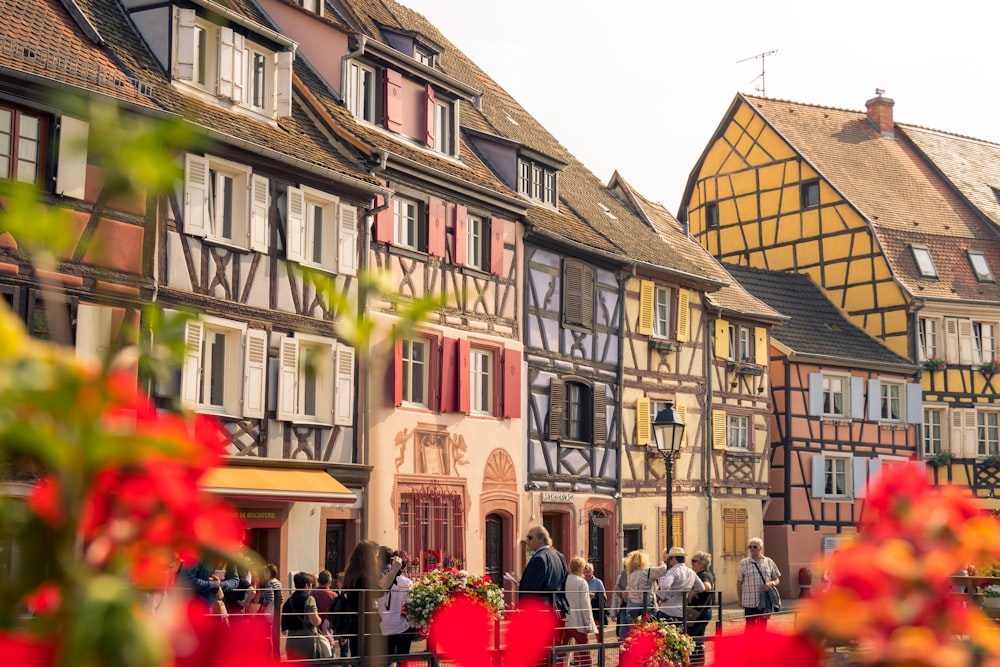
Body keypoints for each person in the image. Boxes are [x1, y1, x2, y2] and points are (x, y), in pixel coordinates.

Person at [342, 541, 403, 657]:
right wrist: (394, 570)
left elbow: (377, 587)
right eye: (375, 556)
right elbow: (380, 592)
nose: (377, 559)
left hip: (357, 625)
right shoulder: (363, 577)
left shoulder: (354, 575)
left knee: (359, 658)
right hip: (366, 626)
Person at [519, 526, 570, 616]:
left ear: (541, 539)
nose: (527, 541)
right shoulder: (559, 556)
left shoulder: (539, 558)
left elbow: (531, 589)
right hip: (557, 609)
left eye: (530, 537)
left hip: (541, 612)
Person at [280, 571, 329, 660]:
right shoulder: (309, 599)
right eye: (311, 585)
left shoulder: (288, 601)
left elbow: (283, 630)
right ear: (306, 585)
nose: (311, 588)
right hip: (306, 641)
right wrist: (319, 620)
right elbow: (314, 621)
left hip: (291, 642)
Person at [737, 537, 781, 631]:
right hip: (749, 601)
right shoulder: (744, 563)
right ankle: (749, 646)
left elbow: (777, 579)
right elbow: (739, 582)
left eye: (755, 547)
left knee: (762, 627)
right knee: (750, 627)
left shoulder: (769, 561)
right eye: (750, 547)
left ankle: (761, 645)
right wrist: (740, 600)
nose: (752, 549)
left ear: (761, 548)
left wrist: (771, 583)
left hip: (765, 601)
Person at [379, 550, 414, 665]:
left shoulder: (382, 582)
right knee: (402, 661)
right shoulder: (408, 583)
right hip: (401, 626)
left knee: (385, 661)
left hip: (384, 626)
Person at [622, 550, 670, 629]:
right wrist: (663, 563)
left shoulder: (630, 574)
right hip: (647, 604)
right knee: (650, 629)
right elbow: (664, 570)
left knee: (634, 631)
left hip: (632, 605)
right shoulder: (647, 571)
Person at [655, 546, 703, 624]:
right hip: (681, 612)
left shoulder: (673, 571)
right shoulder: (691, 572)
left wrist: (664, 596)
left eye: (670, 558)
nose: (669, 560)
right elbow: (701, 588)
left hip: (668, 610)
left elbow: (666, 585)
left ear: (674, 558)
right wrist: (690, 592)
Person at [564, 556, 597, 667]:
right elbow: (585, 604)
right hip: (578, 620)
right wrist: (588, 622)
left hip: (566, 618)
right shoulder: (582, 582)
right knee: (584, 648)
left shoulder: (565, 580)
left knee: (562, 648)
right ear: (581, 568)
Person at [687, 551, 715, 664]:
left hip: (699, 613)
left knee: (692, 637)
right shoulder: (701, 574)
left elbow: (707, 586)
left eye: (694, 561)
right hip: (700, 612)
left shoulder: (704, 575)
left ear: (702, 564)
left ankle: (695, 662)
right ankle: (697, 662)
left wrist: (693, 593)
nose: (692, 563)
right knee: (698, 638)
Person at [312, 570, 337, 647]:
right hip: (329, 631)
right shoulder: (334, 596)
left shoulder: (312, 594)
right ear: (330, 581)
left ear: (318, 581)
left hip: (315, 630)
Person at [583, 562, 608, 630]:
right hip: (584, 608)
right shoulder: (581, 582)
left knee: (598, 630)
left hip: (595, 609)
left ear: (593, 572)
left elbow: (604, 597)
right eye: (585, 572)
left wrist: (594, 596)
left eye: (589, 572)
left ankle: (599, 640)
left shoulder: (598, 582)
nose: (587, 574)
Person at [609, 560, 629, 639]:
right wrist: (613, 611)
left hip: (633, 606)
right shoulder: (621, 577)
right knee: (621, 632)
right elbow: (615, 595)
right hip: (623, 606)